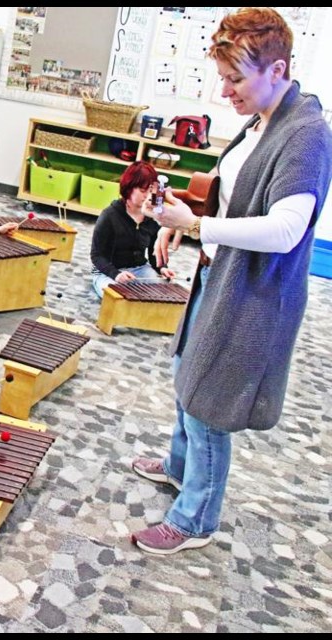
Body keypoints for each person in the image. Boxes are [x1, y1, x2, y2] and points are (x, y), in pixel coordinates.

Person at [131, 7, 332, 555]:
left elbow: (287, 229)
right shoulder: (261, 119)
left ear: (278, 69)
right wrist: (184, 219)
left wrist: (196, 225)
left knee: (208, 404)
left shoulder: (306, 133)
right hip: (216, 280)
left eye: (235, 79)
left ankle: (195, 518)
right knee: (185, 375)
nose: (226, 92)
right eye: (223, 77)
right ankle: (178, 467)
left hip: (253, 298)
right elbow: (232, 194)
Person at [89, 161, 176, 298]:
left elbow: (153, 251)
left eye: (150, 191)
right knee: (116, 297)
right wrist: (116, 275)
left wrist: (162, 267)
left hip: (139, 269)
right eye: (142, 191)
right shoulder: (109, 216)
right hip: (108, 271)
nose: (148, 196)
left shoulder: (152, 217)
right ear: (129, 189)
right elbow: (96, 255)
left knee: (161, 293)